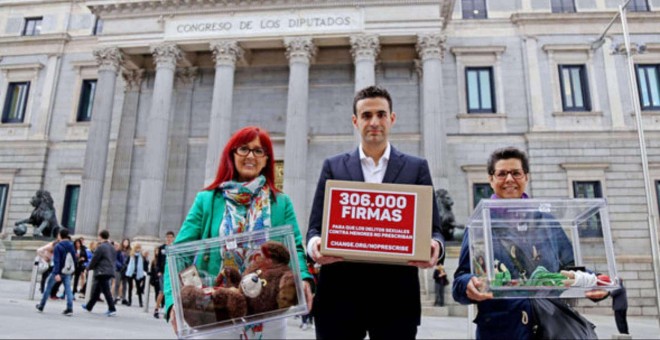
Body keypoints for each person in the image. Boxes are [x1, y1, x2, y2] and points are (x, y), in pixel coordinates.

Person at [306, 85, 445, 340]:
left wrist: (435, 246)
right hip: (339, 299)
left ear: (392, 119)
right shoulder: (333, 166)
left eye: (381, 114)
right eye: (366, 115)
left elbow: (434, 229)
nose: (374, 122)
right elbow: (314, 229)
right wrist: (315, 246)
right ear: (355, 121)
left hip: (396, 300)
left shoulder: (416, 168)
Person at [163, 126, 314, 339]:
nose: (251, 156)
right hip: (217, 310)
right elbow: (178, 253)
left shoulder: (281, 203)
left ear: (266, 159)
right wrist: (172, 303)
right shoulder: (207, 200)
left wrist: (304, 279)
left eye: (258, 151)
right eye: (244, 149)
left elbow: (295, 249)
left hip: (267, 312)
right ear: (232, 154)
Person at [452, 146, 608, 339]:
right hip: (501, 330)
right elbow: (460, 281)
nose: (509, 179)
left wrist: (596, 282)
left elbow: (572, 268)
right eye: (502, 174)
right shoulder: (479, 226)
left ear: (526, 177)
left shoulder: (547, 222)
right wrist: (468, 284)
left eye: (516, 173)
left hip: (549, 327)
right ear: (491, 179)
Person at [36, 228, 76, 315]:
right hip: (67, 271)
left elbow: (57, 261)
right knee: (68, 290)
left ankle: (41, 306)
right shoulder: (71, 245)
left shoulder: (58, 246)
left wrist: (57, 273)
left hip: (57, 271)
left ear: (60, 235)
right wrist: (72, 270)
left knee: (48, 288)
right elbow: (74, 259)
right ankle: (69, 308)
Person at [82, 229, 117, 317]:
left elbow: (95, 259)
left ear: (100, 236)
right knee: (97, 290)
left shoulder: (101, 247)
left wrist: (88, 268)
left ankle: (112, 308)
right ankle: (89, 306)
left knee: (106, 291)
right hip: (109, 270)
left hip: (102, 271)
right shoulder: (112, 247)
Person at [154, 231, 175, 319]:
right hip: (163, 272)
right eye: (168, 237)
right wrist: (158, 271)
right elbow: (157, 261)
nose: (169, 239)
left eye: (171, 237)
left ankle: (168, 310)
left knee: (170, 292)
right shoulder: (162, 248)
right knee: (162, 292)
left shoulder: (175, 247)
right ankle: (156, 309)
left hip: (172, 273)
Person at [125, 242, 148, 307]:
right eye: (137, 248)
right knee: (130, 287)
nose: (138, 249)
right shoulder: (131, 255)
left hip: (138, 273)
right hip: (131, 272)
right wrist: (128, 268)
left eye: (139, 248)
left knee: (139, 288)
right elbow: (127, 262)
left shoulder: (141, 256)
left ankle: (140, 302)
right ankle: (129, 301)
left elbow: (145, 263)